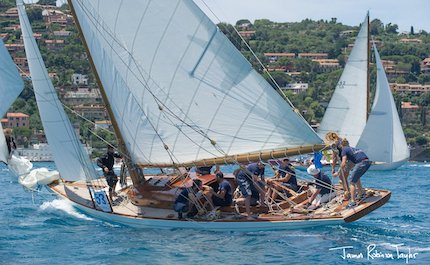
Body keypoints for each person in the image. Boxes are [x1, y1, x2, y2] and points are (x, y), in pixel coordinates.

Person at [336, 139, 371, 208]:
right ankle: (361, 193)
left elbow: (343, 162)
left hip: (361, 163)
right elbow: (355, 161)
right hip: (367, 162)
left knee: (352, 182)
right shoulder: (353, 149)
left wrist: (338, 172)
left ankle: (352, 201)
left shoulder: (344, 150)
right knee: (356, 177)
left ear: (341, 145)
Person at [325, 132, 350, 200]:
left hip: (346, 161)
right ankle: (348, 191)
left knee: (342, 177)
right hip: (351, 160)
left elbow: (334, 157)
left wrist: (333, 169)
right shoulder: (342, 140)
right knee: (344, 177)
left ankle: (347, 194)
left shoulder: (334, 144)